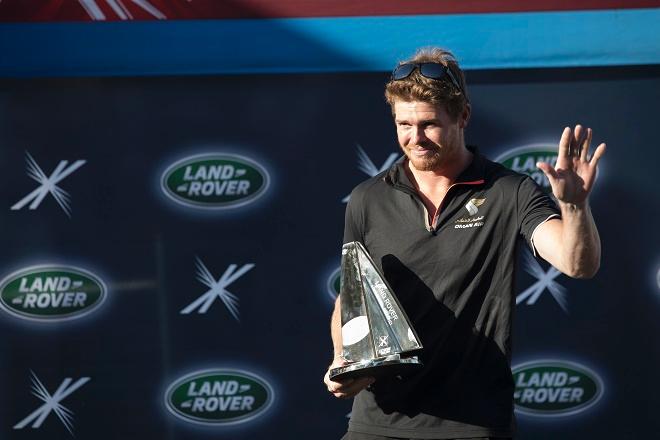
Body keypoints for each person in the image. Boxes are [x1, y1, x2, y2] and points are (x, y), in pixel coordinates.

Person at [323, 47, 605, 440]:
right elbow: (350, 299)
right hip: (377, 424)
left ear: (463, 116)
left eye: (429, 125)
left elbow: (578, 263)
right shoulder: (368, 198)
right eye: (404, 124)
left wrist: (574, 206)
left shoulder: (510, 192)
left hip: (472, 425)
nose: (415, 138)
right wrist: (344, 358)